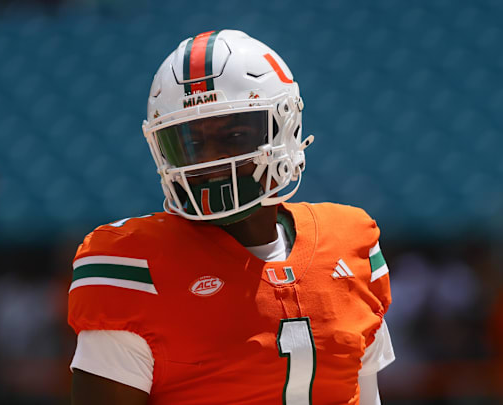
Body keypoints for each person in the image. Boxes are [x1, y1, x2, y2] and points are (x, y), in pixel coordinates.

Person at [68, 29, 394, 404]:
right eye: (191, 142)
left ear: (284, 129)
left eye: (234, 136)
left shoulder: (350, 244)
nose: (211, 159)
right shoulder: (133, 266)